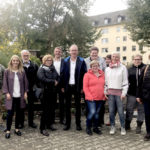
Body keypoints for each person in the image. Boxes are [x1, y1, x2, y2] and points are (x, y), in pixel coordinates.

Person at [2, 55, 28, 139]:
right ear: (11, 61)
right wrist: (7, 93)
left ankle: (16, 129)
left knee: (19, 113)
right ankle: (8, 130)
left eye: (17, 60)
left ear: (19, 62)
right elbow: (5, 83)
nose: (15, 62)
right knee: (10, 113)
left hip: (20, 96)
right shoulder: (7, 71)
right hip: (11, 96)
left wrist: (25, 92)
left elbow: (25, 83)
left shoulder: (22, 71)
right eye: (14, 60)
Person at [62, 44, 87, 131]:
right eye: (72, 50)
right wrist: (62, 86)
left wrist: (83, 87)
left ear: (77, 51)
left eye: (75, 50)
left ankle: (78, 124)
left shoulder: (81, 61)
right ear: (69, 51)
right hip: (67, 86)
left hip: (77, 87)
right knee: (67, 106)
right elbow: (62, 74)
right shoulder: (65, 61)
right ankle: (67, 124)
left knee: (78, 106)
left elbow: (85, 75)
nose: (74, 52)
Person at [105, 52, 128, 135]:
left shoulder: (123, 68)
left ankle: (122, 127)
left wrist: (124, 93)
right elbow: (106, 82)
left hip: (119, 94)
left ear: (119, 58)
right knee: (111, 111)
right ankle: (112, 126)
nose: (115, 58)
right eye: (113, 56)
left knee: (121, 112)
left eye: (117, 57)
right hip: (110, 94)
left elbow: (125, 82)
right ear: (111, 58)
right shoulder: (107, 69)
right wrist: (105, 91)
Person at [37, 54, 59, 136]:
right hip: (45, 92)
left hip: (53, 92)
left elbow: (57, 76)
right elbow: (42, 78)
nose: (49, 62)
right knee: (45, 110)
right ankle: (42, 128)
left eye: (50, 60)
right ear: (44, 61)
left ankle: (49, 124)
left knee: (51, 109)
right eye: (47, 60)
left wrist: (57, 81)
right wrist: (53, 81)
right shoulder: (41, 69)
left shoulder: (53, 68)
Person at [85, 47, 106, 127]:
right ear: (90, 53)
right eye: (93, 53)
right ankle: (89, 124)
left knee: (99, 109)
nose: (94, 54)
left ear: (97, 53)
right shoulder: (85, 60)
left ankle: (99, 123)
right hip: (90, 85)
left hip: (99, 85)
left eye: (95, 53)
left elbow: (104, 70)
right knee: (90, 109)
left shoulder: (102, 60)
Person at [83, 60, 105, 135]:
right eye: (93, 66)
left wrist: (104, 95)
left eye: (96, 66)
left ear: (98, 66)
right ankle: (88, 127)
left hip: (100, 98)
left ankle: (95, 127)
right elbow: (85, 87)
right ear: (91, 67)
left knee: (97, 113)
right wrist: (89, 96)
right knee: (92, 112)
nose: (95, 67)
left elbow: (105, 85)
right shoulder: (87, 75)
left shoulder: (102, 74)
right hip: (91, 98)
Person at [125, 54, 145, 134]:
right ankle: (127, 124)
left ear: (141, 60)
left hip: (142, 94)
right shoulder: (129, 69)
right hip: (131, 94)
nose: (137, 60)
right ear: (133, 60)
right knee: (129, 109)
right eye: (135, 59)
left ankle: (139, 126)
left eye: (139, 59)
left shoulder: (145, 68)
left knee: (141, 110)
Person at [20, 50, 38, 128]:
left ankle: (31, 122)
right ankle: (21, 123)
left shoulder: (34, 65)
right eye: (24, 55)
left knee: (31, 106)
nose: (26, 57)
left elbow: (37, 78)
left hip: (31, 89)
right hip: (20, 89)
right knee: (21, 106)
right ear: (21, 56)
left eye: (27, 55)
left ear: (29, 56)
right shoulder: (18, 65)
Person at [136, 64, 150, 141]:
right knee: (148, 116)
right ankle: (148, 133)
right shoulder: (145, 68)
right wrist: (138, 96)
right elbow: (140, 84)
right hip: (147, 97)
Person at [53, 47, 65, 124]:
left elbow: (64, 74)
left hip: (61, 85)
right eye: (56, 51)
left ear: (61, 53)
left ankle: (62, 119)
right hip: (53, 84)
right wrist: (53, 81)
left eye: (59, 51)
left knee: (62, 102)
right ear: (54, 52)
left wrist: (62, 85)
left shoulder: (64, 61)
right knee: (53, 102)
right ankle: (52, 119)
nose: (57, 53)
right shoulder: (51, 61)